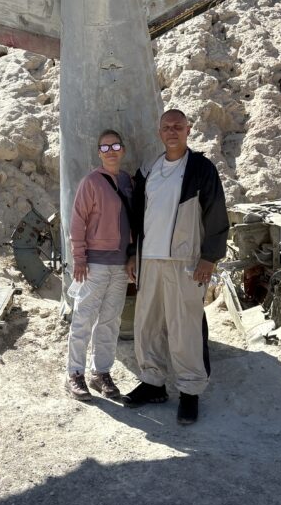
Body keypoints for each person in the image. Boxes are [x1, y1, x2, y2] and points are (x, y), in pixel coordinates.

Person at [124, 109, 229, 425]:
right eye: (167, 126)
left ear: (188, 130)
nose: (172, 131)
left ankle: (189, 393)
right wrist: (133, 253)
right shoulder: (148, 170)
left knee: (185, 329)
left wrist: (209, 258)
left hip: (185, 262)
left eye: (178, 126)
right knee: (148, 325)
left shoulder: (201, 168)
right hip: (149, 261)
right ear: (160, 132)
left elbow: (216, 214)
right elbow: (135, 218)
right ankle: (153, 383)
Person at [66, 129, 133, 402]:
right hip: (93, 264)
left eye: (115, 146)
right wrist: (79, 258)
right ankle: (75, 374)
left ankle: (100, 372)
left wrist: (133, 255)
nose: (111, 151)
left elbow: (136, 222)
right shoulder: (91, 182)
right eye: (105, 148)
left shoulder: (129, 181)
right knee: (83, 319)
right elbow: (77, 221)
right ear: (98, 153)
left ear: (123, 149)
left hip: (120, 265)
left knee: (110, 322)